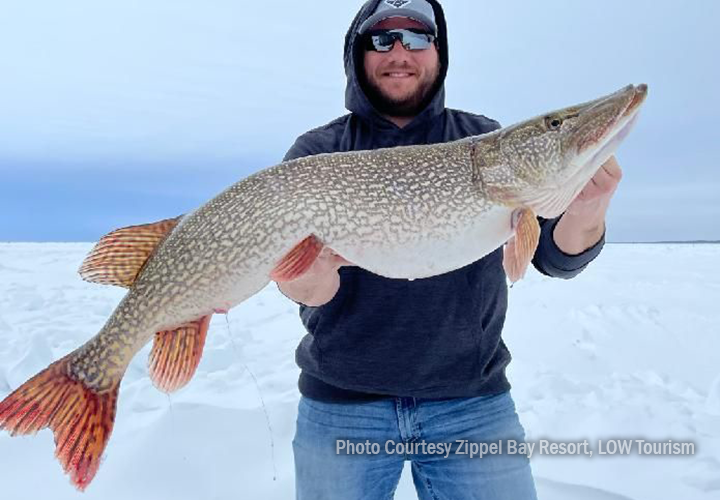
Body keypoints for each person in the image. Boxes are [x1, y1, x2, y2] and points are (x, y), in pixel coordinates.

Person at [278, 1, 621, 498]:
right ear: (357, 55)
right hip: (342, 406)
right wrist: (309, 272)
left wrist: (590, 207)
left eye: (417, 38)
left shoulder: (483, 139)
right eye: (381, 39)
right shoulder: (318, 152)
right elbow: (307, 290)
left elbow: (554, 258)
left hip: (473, 406)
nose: (399, 51)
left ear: (438, 54)